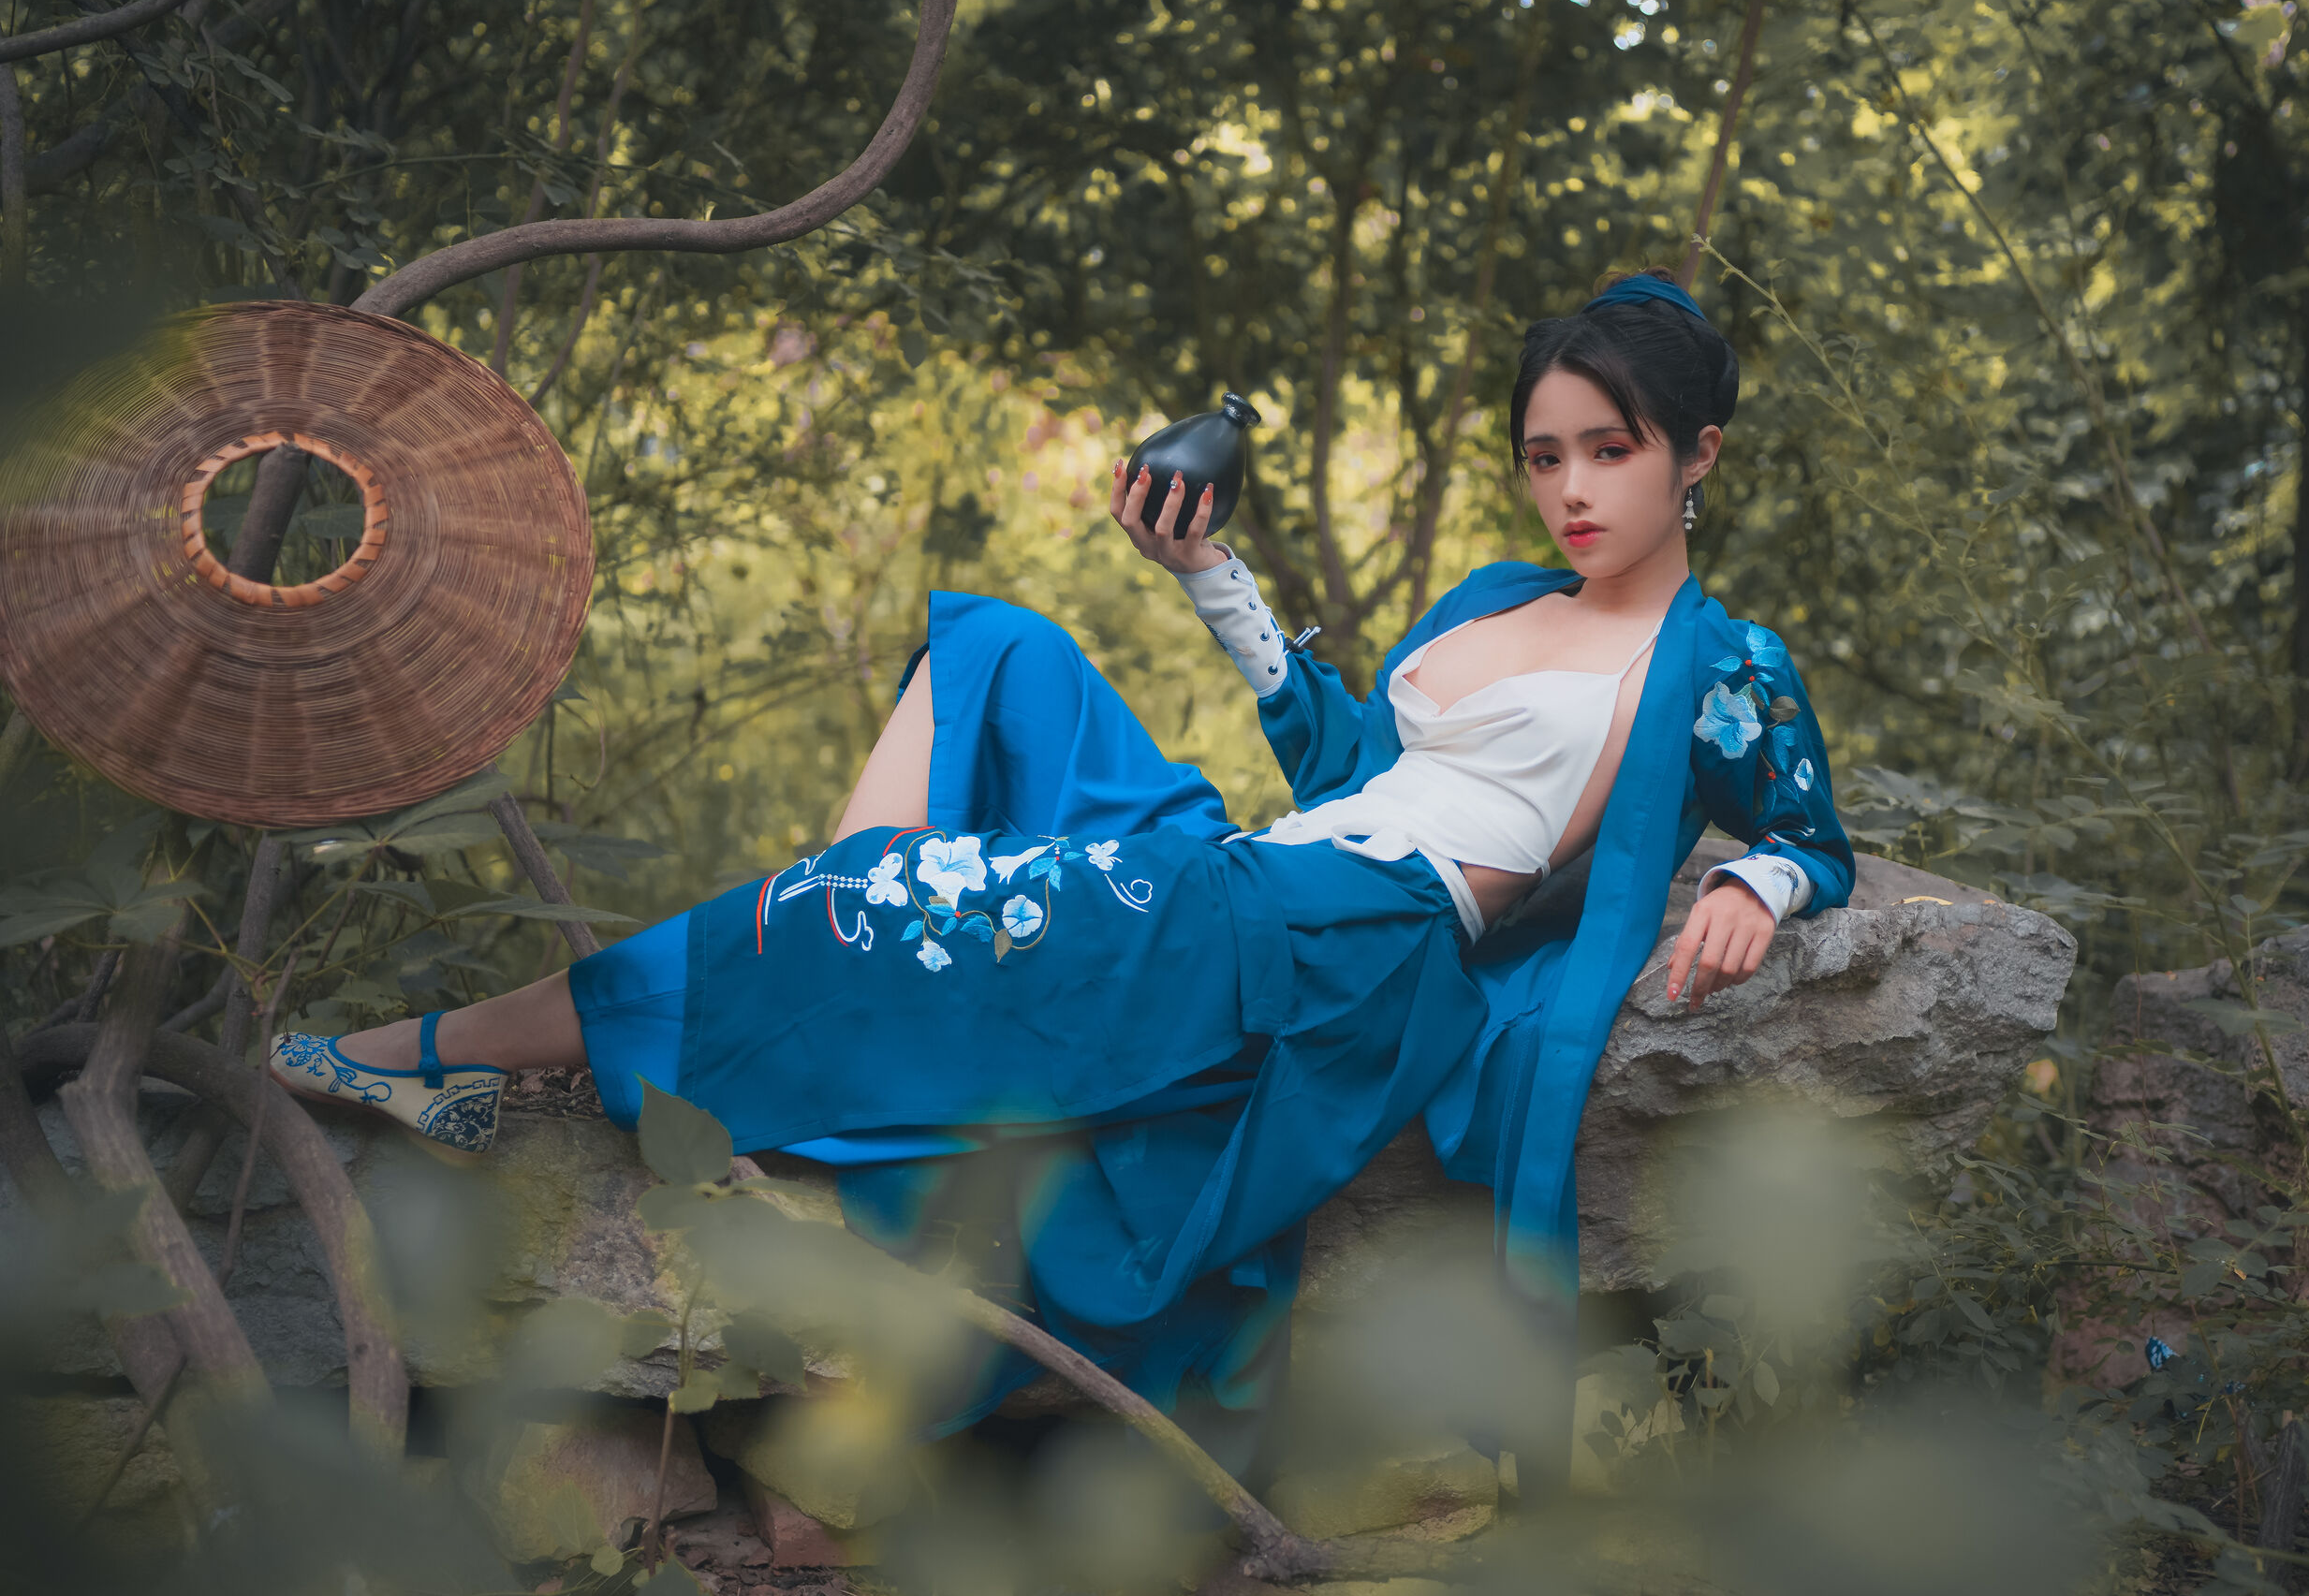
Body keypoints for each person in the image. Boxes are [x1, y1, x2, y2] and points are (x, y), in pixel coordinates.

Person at [267, 268, 1853, 1456]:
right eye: (1545, 453)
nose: (1572, 489)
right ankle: (839, 948)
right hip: (1256, 877)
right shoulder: (1497, 598)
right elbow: (1355, 768)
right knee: (1003, 647)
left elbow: (1805, 829)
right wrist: (1211, 575)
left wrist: (1754, 884)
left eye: (1611, 451)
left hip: (1340, 943)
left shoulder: (1721, 663)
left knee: (862, 908)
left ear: (1695, 453)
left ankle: (449, 1047)